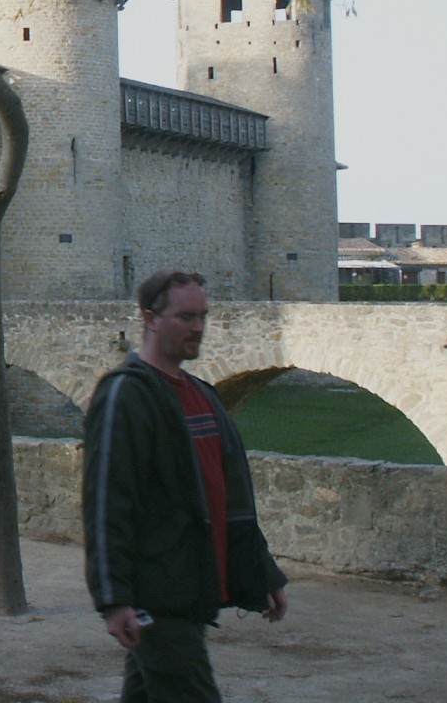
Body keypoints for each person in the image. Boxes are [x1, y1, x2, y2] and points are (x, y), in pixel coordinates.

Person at [83, 270, 288, 703]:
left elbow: (230, 496)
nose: (198, 327)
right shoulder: (127, 395)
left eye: (202, 316)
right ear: (150, 319)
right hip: (159, 596)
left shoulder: (203, 394)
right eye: (185, 317)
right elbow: (107, 502)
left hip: (194, 589)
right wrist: (113, 598)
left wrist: (262, 572)